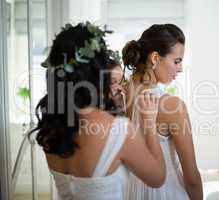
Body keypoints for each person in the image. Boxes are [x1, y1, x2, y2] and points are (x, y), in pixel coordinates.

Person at [29, 22, 166, 200]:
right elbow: (157, 178)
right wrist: (148, 122)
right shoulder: (118, 130)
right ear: (97, 70)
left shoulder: (50, 129)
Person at [122, 24, 203, 200]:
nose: (180, 68)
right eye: (177, 61)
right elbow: (192, 178)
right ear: (155, 58)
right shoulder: (173, 107)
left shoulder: (118, 94)